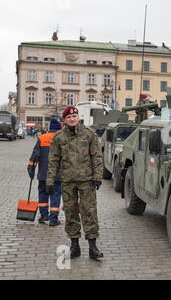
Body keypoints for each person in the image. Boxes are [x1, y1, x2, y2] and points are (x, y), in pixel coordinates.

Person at [46, 106, 104, 260]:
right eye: (69, 117)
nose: (72, 119)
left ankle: (93, 247)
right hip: (68, 181)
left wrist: (98, 176)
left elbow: (97, 157)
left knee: (89, 212)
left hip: (87, 181)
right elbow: (52, 161)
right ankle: (75, 246)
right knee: (71, 213)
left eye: (74, 116)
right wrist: (50, 181)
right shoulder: (59, 137)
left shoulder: (89, 134)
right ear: (64, 120)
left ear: (78, 117)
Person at [27, 118, 63, 226]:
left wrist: (31, 169)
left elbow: (35, 155)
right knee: (55, 196)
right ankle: (53, 219)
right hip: (57, 176)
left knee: (43, 194)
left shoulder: (42, 138)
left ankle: (43, 216)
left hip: (43, 174)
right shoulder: (61, 139)